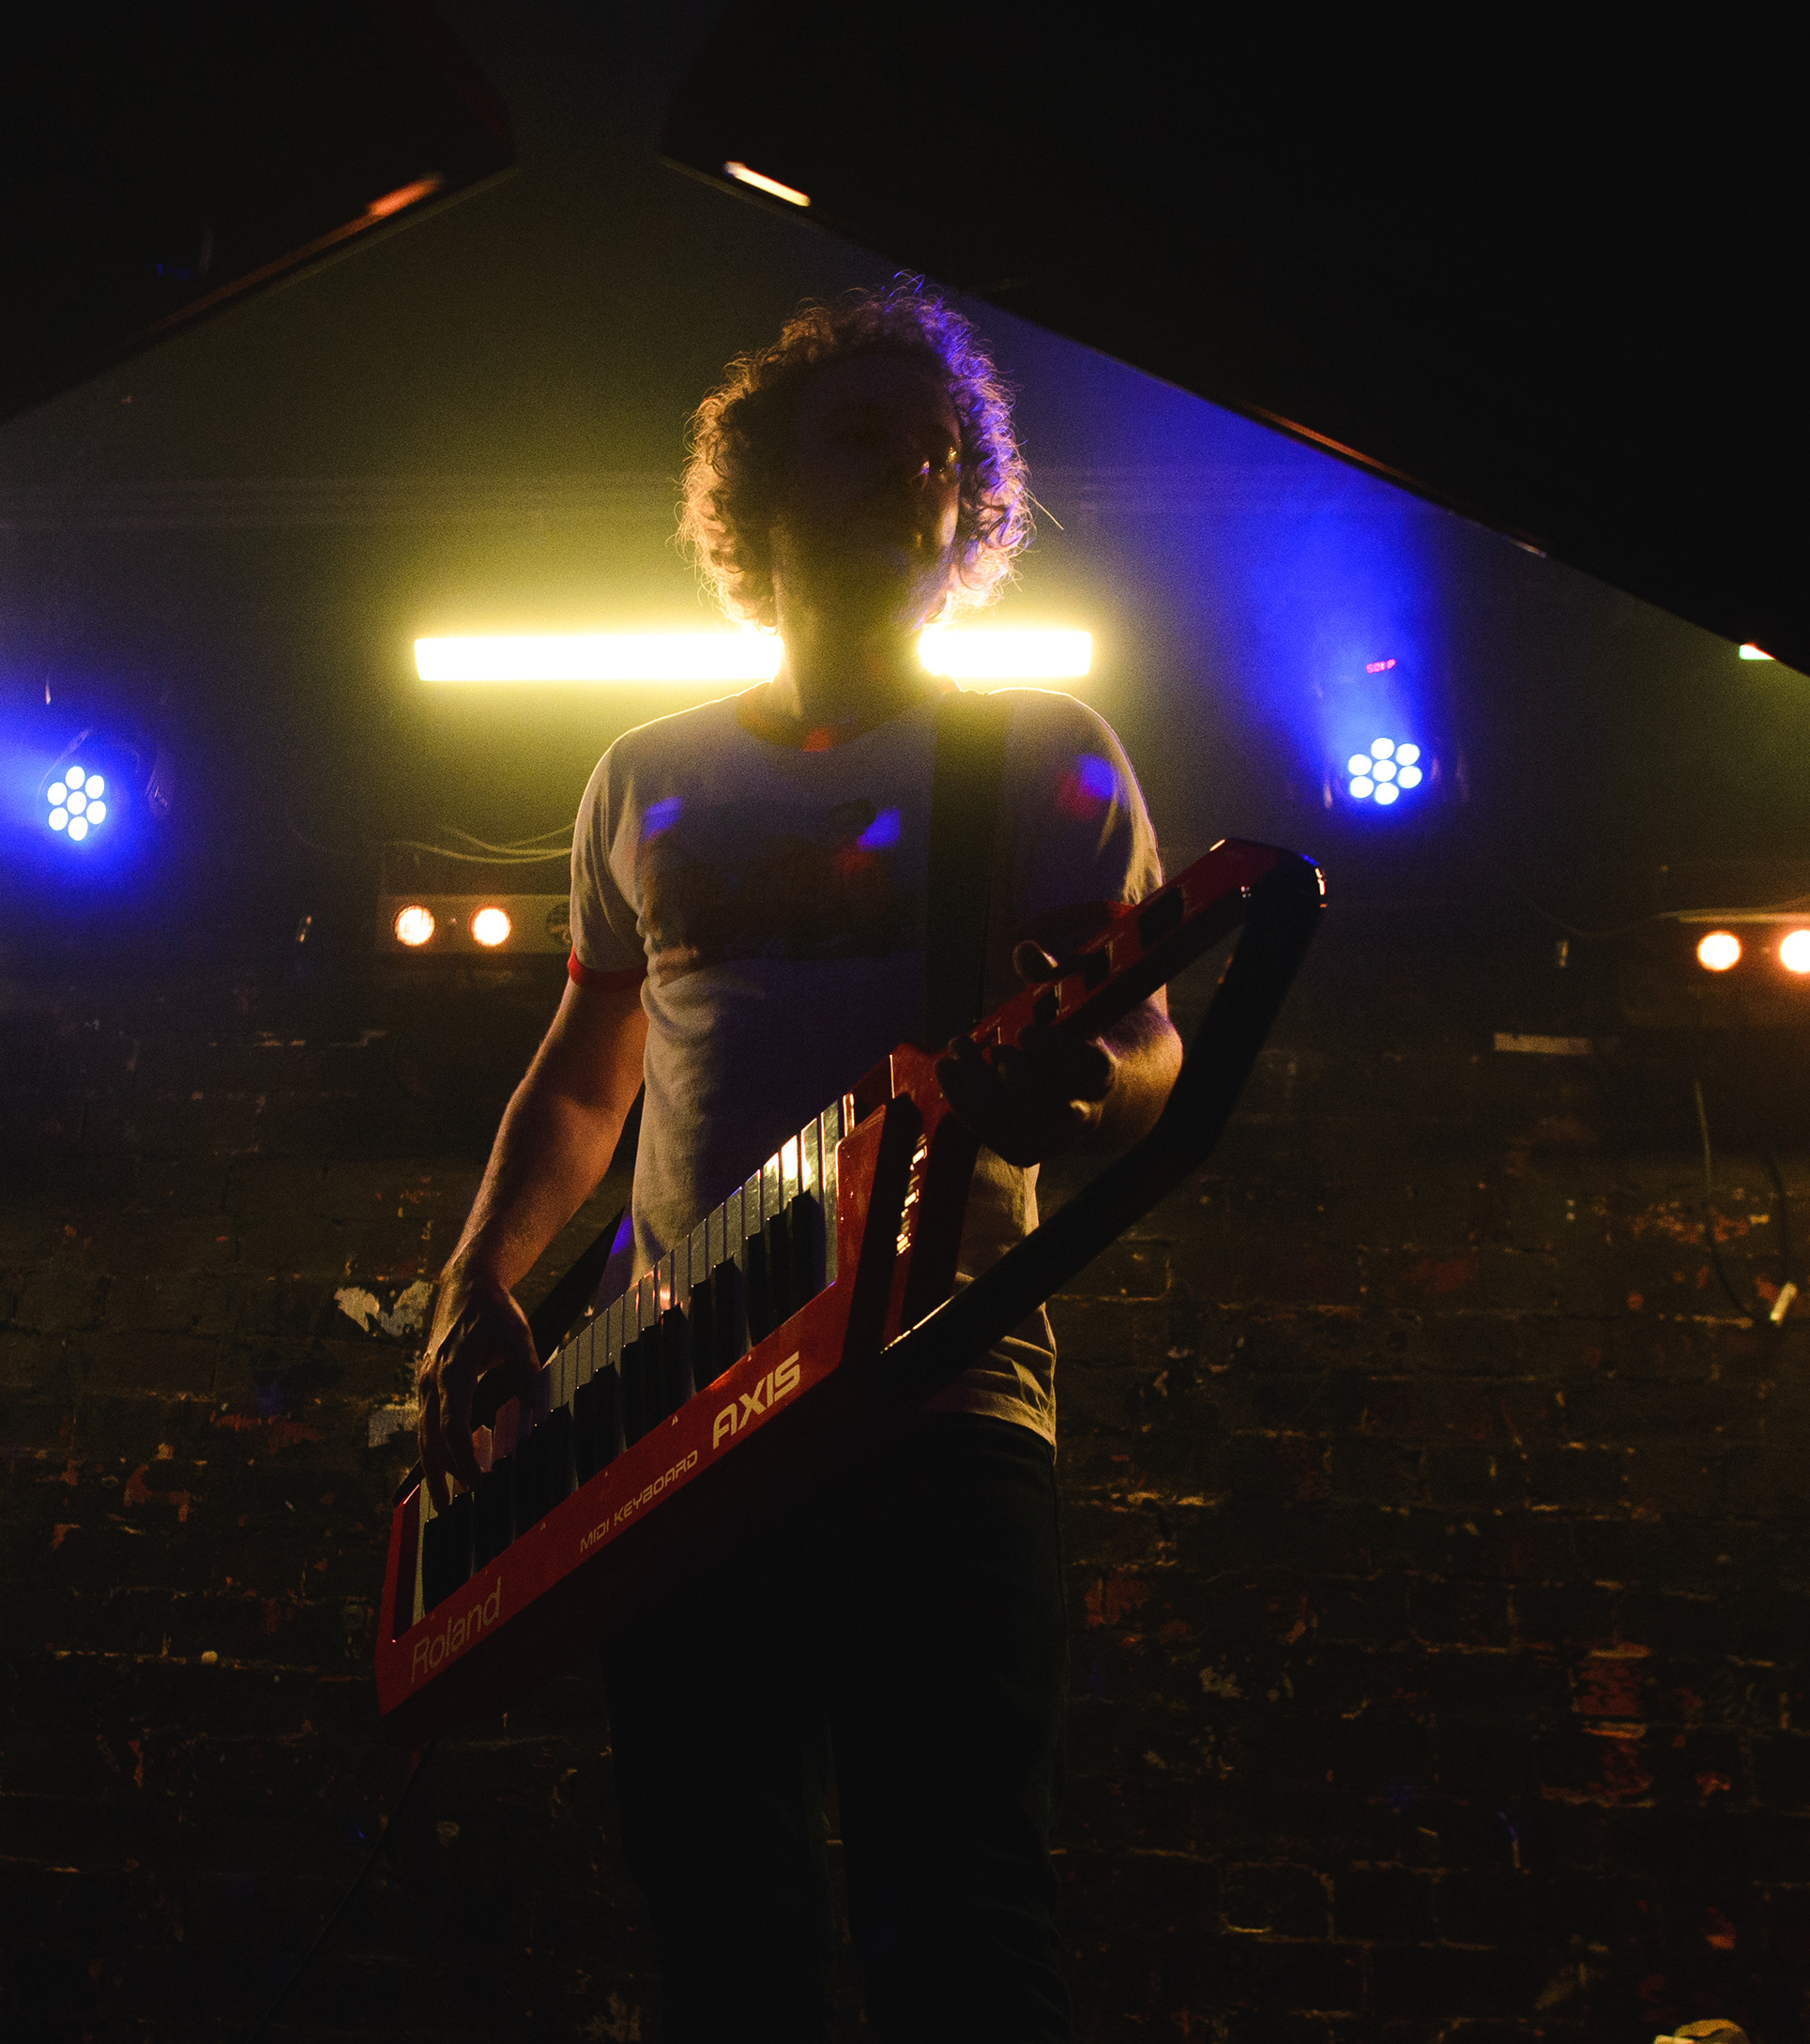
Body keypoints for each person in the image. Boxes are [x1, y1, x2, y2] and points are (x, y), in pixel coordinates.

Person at [413, 279, 1179, 2041]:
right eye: (862, 436)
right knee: (719, 1918)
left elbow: (1147, 1039)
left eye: (939, 449)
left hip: (941, 1394)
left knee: (963, 1914)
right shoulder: (644, 774)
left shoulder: (1042, 750)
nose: (909, 469)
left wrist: (1089, 1093)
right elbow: (586, 1077)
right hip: (677, 1423)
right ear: (757, 490)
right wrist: (476, 1277)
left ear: (971, 508)